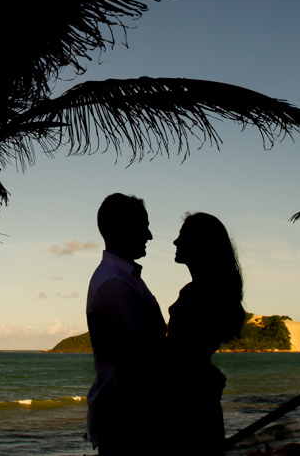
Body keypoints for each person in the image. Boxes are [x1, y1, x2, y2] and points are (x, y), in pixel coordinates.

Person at [86, 193, 167, 455]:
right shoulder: (115, 284)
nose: (149, 235)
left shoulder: (123, 278)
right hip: (128, 424)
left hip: (131, 420)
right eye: (143, 226)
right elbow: (141, 359)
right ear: (123, 229)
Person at [166, 212, 246, 455]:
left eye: (181, 237)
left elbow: (181, 357)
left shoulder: (197, 296)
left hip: (190, 411)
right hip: (202, 405)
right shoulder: (211, 293)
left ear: (198, 244)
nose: (175, 242)